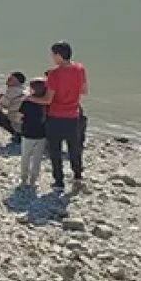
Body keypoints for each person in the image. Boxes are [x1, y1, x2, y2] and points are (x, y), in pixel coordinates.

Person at [28, 41, 89, 191]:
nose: (52, 58)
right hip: (73, 116)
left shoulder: (54, 74)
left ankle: (59, 182)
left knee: (55, 150)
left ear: (59, 56)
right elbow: (84, 91)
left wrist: (29, 98)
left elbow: (48, 99)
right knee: (74, 148)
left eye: (53, 55)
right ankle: (78, 176)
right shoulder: (80, 69)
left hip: (56, 116)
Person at [18, 79, 49, 188]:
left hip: (27, 133)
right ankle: (33, 180)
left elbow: (20, 116)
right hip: (42, 134)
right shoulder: (47, 103)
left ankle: (23, 179)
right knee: (37, 158)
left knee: (25, 156)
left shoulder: (27, 102)